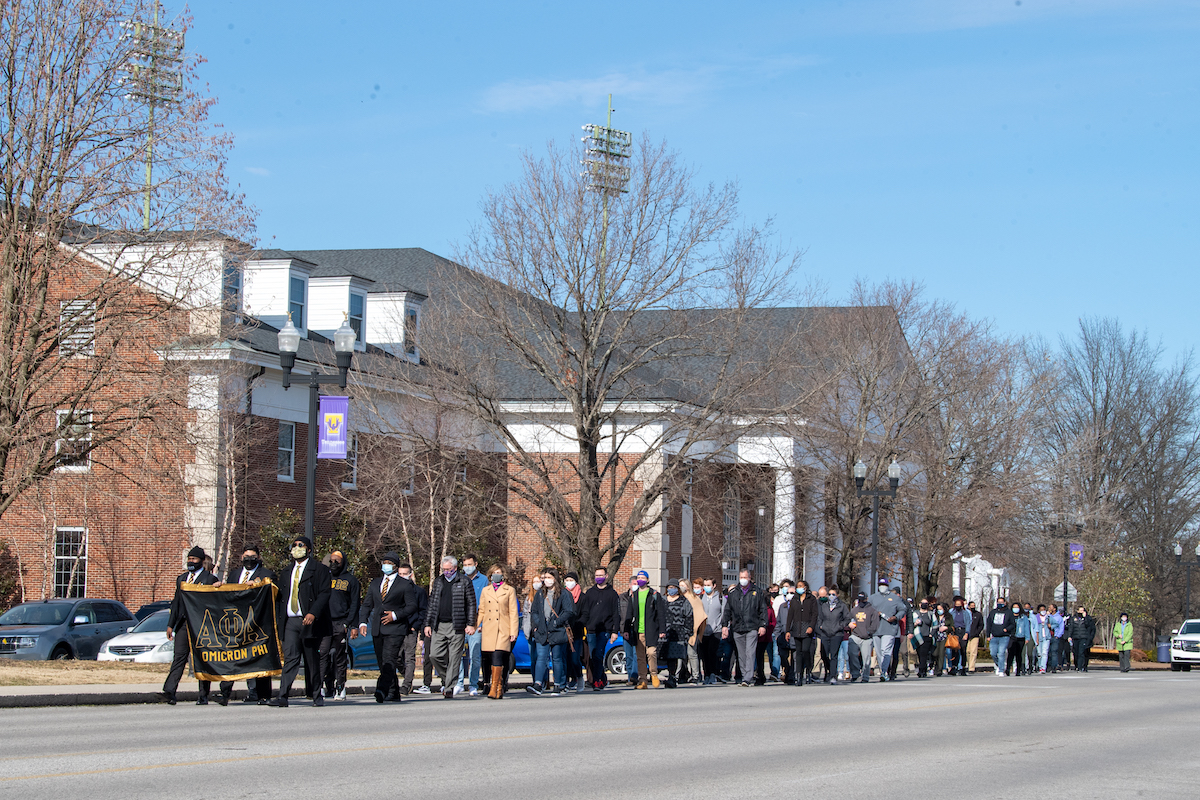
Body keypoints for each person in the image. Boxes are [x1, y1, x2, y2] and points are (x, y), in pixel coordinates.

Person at [272, 536, 333, 707]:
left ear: (309, 550)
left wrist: (313, 613)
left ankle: (315, 695)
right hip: (291, 620)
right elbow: (280, 595)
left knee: (311, 659)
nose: (296, 548)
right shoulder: (286, 571)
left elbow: (324, 593)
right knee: (291, 658)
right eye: (294, 546)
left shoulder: (319, 570)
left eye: (301, 545)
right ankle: (283, 696)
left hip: (309, 621)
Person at [161, 546, 221, 706]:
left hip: (201, 626)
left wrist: (217, 589)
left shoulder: (210, 579)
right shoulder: (182, 579)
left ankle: (203, 695)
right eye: (189, 559)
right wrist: (170, 625)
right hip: (183, 624)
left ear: (201, 561)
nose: (190, 562)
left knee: (201, 660)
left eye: (194, 559)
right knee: (179, 658)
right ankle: (170, 691)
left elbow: (216, 603)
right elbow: (176, 603)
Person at [218, 544, 276, 704]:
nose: (249, 560)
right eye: (246, 557)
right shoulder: (234, 574)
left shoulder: (266, 574)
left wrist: (259, 584)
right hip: (235, 623)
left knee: (258, 658)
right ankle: (224, 693)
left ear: (258, 558)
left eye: (252, 557)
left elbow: (273, 592)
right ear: (241, 557)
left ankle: (262, 694)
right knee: (232, 658)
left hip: (256, 623)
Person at [359, 552, 418, 703]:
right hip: (378, 628)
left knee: (389, 660)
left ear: (396, 566)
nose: (386, 565)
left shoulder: (404, 584)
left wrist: (396, 615)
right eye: (384, 562)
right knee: (381, 662)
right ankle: (394, 692)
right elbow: (367, 604)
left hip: (395, 629)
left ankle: (381, 689)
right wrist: (363, 622)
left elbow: (412, 606)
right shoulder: (375, 583)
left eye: (389, 563)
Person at [423, 555, 479, 699]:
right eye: (444, 569)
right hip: (439, 625)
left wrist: (471, 623)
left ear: (455, 568)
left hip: (457, 626)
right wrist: (428, 623)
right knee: (434, 655)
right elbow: (432, 604)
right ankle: (447, 678)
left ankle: (449, 688)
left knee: (455, 657)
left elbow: (471, 604)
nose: (446, 571)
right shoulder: (438, 582)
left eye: (448, 569)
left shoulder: (464, 581)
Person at [527, 568, 575, 695]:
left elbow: (568, 611)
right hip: (543, 630)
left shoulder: (563, 594)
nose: (546, 580)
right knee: (541, 658)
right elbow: (535, 611)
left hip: (557, 631)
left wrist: (556, 622)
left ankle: (558, 684)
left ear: (555, 579)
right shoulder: (540, 594)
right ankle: (538, 684)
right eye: (544, 578)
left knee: (557, 659)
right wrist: (538, 624)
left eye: (548, 577)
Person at [320, 549, 360, 701]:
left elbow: (355, 604)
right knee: (323, 655)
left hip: (341, 623)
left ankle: (340, 686)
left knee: (340, 657)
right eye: (331, 560)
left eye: (337, 561)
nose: (334, 563)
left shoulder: (351, 580)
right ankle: (322, 687)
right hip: (325, 623)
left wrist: (351, 624)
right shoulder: (324, 578)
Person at [476, 564, 519, 699]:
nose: (496, 575)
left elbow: (513, 612)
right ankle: (497, 686)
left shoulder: (509, 590)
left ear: (503, 574)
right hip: (489, 628)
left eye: (499, 572)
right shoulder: (485, 590)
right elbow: (481, 610)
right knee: (488, 657)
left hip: (503, 628)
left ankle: (494, 687)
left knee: (498, 656)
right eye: (494, 572)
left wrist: (514, 631)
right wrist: (475, 625)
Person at [577, 566, 620, 691]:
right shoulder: (590, 593)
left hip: (605, 630)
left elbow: (616, 614)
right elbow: (585, 612)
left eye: (601, 575)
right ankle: (603, 678)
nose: (599, 578)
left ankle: (596, 681)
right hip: (591, 630)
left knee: (598, 655)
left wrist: (614, 631)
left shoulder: (612, 594)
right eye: (597, 576)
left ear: (606, 576)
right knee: (592, 656)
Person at [722, 569, 767, 687]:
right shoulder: (734, 593)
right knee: (741, 654)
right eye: (741, 577)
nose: (743, 579)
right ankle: (744, 675)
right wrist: (724, 625)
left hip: (752, 626)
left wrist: (762, 625)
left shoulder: (757, 592)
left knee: (750, 652)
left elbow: (763, 610)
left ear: (749, 577)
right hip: (737, 627)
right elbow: (727, 610)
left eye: (745, 577)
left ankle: (748, 677)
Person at [624, 570, 667, 689]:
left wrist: (662, 630)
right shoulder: (634, 595)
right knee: (640, 656)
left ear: (647, 580)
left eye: (643, 577)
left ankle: (653, 674)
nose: (640, 579)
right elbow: (629, 614)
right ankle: (642, 680)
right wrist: (626, 630)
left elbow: (661, 614)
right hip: (638, 630)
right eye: (638, 577)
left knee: (651, 653)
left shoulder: (654, 594)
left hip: (651, 629)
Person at [457, 554, 488, 697]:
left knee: (475, 656)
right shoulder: (458, 578)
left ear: (475, 564)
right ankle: (459, 683)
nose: (467, 567)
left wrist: (481, 623)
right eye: (465, 565)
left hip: (476, 623)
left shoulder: (483, 580)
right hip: (460, 622)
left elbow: (486, 603)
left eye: (469, 564)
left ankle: (473, 685)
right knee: (457, 654)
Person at [868, 578, 907, 682]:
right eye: (880, 584)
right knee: (879, 652)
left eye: (884, 584)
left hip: (889, 629)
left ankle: (884, 672)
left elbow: (903, 609)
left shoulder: (895, 598)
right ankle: (882, 670)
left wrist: (896, 617)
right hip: (876, 630)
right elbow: (867, 610)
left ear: (887, 586)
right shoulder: (872, 598)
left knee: (885, 650)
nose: (882, 586)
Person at [400, 564, 430, 694]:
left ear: (410, 575)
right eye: (400, 574)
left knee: (409, 657)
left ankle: (407, 685)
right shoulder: (395, 590)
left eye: (404, 574)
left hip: (411, 629)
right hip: (396, 628)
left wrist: (416, 626)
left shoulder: (419, 592)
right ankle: (405, 673)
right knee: (395, 657)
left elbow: (423, 611)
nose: (402, 577)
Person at [662, 581, 694, 687]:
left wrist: (687, 633)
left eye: (674, 587)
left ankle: (673, 677)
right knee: (665, 656)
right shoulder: (663, 601)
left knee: (674, 657)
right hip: (665, 633)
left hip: (678, 633)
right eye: (670, 587)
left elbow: (689, 617)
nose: (671, 590)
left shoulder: (683, 601)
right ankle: (670, 676)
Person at [787, 580, 818, 688]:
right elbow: (790, 615)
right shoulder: (794, 600)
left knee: (806, 650)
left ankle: (808, 669)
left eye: (801, 586)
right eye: (797, 586)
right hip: (796, 628)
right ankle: (798, 676)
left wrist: (811, 626)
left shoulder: (811, 599)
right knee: (798, 653)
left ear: (805, 587)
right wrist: (787, 630)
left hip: (807, 628)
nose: (799, 588)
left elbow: (815, 615)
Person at [817, 586, 851, 684]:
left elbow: (847, 618)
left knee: (834, 655)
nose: (831, 596)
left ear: (837, 595)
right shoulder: (824, 605)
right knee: (824, 654)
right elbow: (819, 617)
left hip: (837, 633)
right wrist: (821, 626)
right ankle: (828, 671)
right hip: (825, 633)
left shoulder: (842, 606)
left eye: (833, 594)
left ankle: (833, 675)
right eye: (830, 594)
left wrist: (840, 626)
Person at [848, 592, 880, 682]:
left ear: (866, 599)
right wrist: (849, 624)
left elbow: (875, 624)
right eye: (859, 600)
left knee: (866, 658)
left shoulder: (872, 610)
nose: (861, 601)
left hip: (867, 638)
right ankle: (855, 673)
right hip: (855, 635)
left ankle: (865, 676)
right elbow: (848, 619)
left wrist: (868, 632)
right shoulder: (854, 610)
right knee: (852, 654)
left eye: (862, 599)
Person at [699, 577, 726, 684]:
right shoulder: (701, 598)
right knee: (704, 654)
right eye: (705, 585)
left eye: (709, 585)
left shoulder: (720, 598)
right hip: (703, 630)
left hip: (716, 630)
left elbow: (724, 614)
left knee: (712, 652)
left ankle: (713, 674)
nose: (707, 587)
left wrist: (723, 627)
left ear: (714, 585)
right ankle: (706, 674)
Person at [562, 571, 585, 690]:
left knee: (575, 658)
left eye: (571, 580)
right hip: (564, 631)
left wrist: (576, 623)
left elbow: (585, 614)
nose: (569, 583)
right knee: (565, 658)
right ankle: (566, 680)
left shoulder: (582, 597)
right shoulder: (562, 594)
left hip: (576, 632)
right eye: (567, 580)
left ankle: (579, 677)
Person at [680, 578, 707, 684]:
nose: (681, 587)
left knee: (692, 654)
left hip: (691, 630)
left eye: (683, 585)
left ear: (687, 586)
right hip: (680, 631)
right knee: (681, 656)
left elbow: (700, 615)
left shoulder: (694, 599)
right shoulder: (679, 598)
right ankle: (682, 674)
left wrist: (694, 629)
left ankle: (695, 675)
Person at [618, 576, 640, 686]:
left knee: (637, 654)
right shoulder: (622, 598)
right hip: (625, 629)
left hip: (637, 629)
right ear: (629, 585)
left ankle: (635, 676)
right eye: (634, 583)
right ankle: (630, 676)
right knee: (628, 655)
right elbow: (619, 614)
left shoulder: (640, 597)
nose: (635, 585)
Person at [987, 596, 1016, 676]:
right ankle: (999, 665)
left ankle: (1001, 670)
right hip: (994, 636)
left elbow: (1013, 624)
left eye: (1001, 602)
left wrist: (1007, 629)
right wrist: (988, 635)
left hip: (1004, 636)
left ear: (1005, 603)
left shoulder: (1009, 612)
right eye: (998, 602)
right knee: (993, 653)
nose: (1000, 604)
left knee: (1001, 653)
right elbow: (989, 623)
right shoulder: (993, 612)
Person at [775, 581, 795, 684]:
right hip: (783, 635)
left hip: (794, 635)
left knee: (794, 657)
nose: (790, 595)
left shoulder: (797, 606)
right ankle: (787, 670)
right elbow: (778, 621)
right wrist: (777, 634)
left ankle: (791, 676)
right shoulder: (782, 606)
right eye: (788, 592)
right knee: (783, 655)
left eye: (792, 593)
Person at [1068, 606, 1096, 671]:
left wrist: (1085, 617)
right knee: (1076, 652)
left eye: (1083, 610)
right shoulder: (1073, 618)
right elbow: (1071, 628)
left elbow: (1088, 626)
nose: (1081, 612)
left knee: (1081, 652)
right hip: (1075, 637)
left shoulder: (1087, 618)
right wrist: (1069, 636)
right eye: (1080, 610)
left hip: (1083, 637)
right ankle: (1076, 665)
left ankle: (1080, 667)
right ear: (1077, 611)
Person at [911, 599, 934, 678]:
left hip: (927, 636)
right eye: (923, 603)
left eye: (926, 603)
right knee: (919, 654)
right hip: (917, 636)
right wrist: (915, 623)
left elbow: (935, 624)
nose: (924, 605)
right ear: (920, 604)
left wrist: (931, 634)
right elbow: (911, 624)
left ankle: (922, 671)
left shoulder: (930, 614)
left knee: (923, 654)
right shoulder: (915, 613)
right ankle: (923, 668)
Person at [948, 596, 971, 676]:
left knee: (963, 650)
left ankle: (963, 668)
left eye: (959, 604)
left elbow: (968, 623)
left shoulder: (965, 613)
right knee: (955, 650)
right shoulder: (952, 612)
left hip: (963, 631)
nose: (958, 605)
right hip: (955, 632)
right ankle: (954, 667)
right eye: (956, 604)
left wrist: (967, 633)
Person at [1007, 602, 1029, 676]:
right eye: (1014, 607)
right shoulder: (1009, 616)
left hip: (1021, 637)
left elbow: (1026, 627)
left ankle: (1018, 670)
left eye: (1017, 607)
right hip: (1011, 636)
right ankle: (1008, 668)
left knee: (1019, 654)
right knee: (1010, 653)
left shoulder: (1023, 617)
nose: (1015, 609)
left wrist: (1027, 637)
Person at [1030, 604, 1051, 674]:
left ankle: (1043, 668)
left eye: (1044, 609)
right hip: (1039, 637)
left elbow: (1056, 624)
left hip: (1046, 637)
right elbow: (1034, 628)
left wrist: (1051, 626)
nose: (1043, 611)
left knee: (1045, 652)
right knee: (1039, 654)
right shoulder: (1036, 618)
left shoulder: (1048, 617)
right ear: (1038, 611)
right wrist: (1036, 639)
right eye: (1041, 610)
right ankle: (1039, 666)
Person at [931, 603, 949, 677]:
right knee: (935, 653)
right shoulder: (934, 616)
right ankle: (935, 665)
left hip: (944, 636)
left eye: (941, 609)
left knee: (941, 653)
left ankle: (939, 670)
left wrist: (946, 628)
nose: (939, 611)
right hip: (935, 636)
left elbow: (952, 626)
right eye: (938, 609)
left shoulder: (948, 617)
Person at [1047, 604, 1066, 673]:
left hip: (1055, 636)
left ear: (1054, 609)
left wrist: (1058, 636)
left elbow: (1061, 628)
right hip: (1047, 636)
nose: (1049, 608)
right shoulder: (1047, 616)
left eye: (1050, 607)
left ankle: (1053, 666)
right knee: (1048, 652)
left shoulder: (1059, 617)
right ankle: (1048, 666)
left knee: (1054, 652)